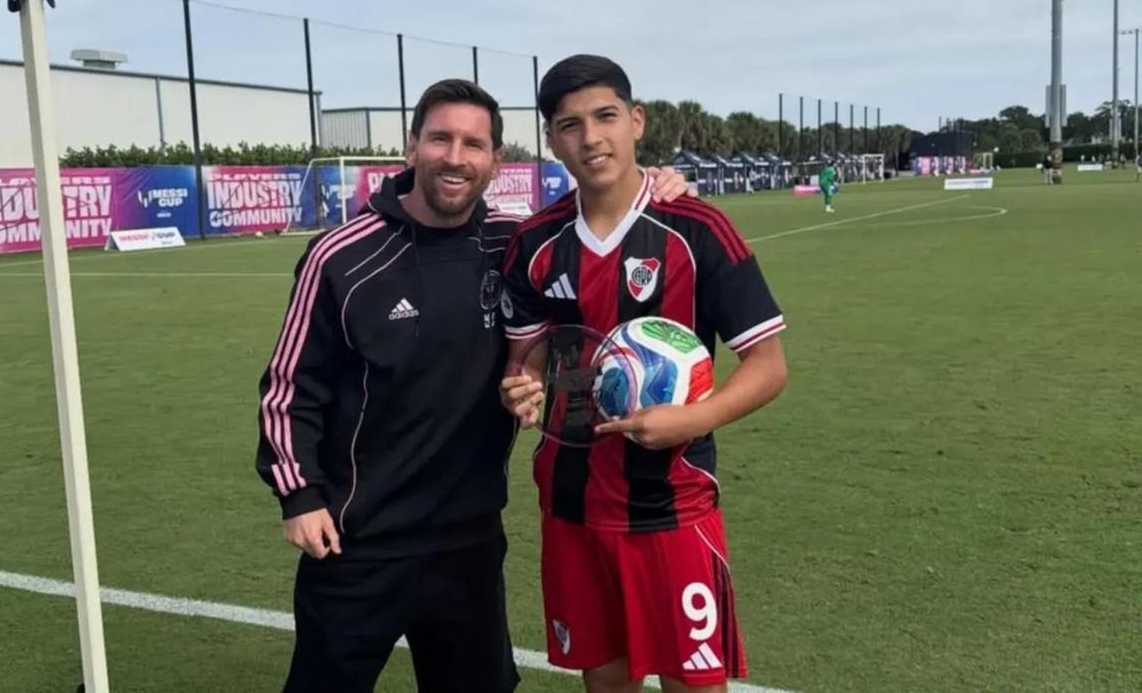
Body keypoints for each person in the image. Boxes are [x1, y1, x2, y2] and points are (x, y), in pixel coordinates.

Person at [255, 77, 691, 693]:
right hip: (358, 543)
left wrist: (660, 186)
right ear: (411, 149)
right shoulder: (341, 257)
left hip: (469, 541)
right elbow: (289, 387)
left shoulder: (513, 244)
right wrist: (299, 496)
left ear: (496, 161)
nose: (455, 157)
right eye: (440, 139)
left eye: (474, 144)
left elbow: (602, 228)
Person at [499, 55, 789, 693]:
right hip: (571, 504)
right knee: (605, 681)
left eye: (605, 117)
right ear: (552, 139)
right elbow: (529, 363)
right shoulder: (535, 243)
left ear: (636, 122)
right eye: (570, 125)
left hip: (673, 505)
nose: (591, 138)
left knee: (695, 684)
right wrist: (523, 387)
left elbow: (768, 365)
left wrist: (696, 417)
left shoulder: (698, 230)